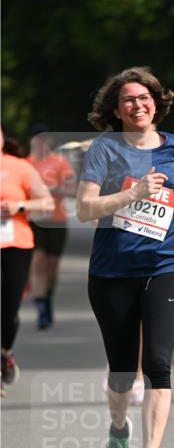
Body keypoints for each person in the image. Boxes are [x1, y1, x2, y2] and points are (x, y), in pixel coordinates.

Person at [76, 66, 174, 448]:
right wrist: (132, 194)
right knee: (121, 370)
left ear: (157, 101)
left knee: (158, 363)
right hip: (113, 271)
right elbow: (84, 209)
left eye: (145, 96)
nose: (139, 104)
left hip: (167, 264)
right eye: (129, 99)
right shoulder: (104, 150)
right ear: (116, 109)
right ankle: (118, 432)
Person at [1, 126, 54, 395]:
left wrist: (18, 207)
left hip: (15, 244)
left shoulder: (19, 167)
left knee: (8, 308)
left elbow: (47, 203)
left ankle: (5, 352)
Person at [27, 125, 77, 329]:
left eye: (44, 139)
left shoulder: (59, 163)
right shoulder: (25, 164)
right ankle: (40, 307)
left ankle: (47, 297)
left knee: (52, 266)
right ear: (31, 141)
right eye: (37, 139)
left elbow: (73, 189)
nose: (40, 143)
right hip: (32, 220)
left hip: (56, 220)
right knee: (38, 261)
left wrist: (54, 189)